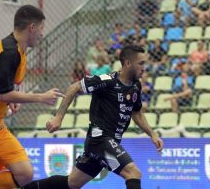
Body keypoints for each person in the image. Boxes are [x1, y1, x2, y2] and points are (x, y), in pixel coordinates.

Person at [22, 45, 164, 189]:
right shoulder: (107, 81)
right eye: (141, 63)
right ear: (128, 63)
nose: (144, 68)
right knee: (133, 173)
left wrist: (152, 134)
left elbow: (137, 113)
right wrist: (58, 118)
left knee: (72, 183)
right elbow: (74, 87)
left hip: (106, 144)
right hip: (99, 140)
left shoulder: (135, 86)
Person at [0, 5, 66, 189]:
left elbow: (7, 86)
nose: (42, 34)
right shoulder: (8, 52)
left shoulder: (20, 51)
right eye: (41, 29)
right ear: (31, 27)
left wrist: (13, 100)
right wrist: (41, 97)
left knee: (24, 173)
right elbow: (3, 94)